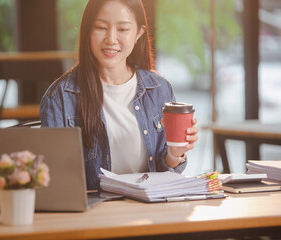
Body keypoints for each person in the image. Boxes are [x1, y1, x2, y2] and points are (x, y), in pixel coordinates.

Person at [40, 0, 199, 190]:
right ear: (88, 31)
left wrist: (175, 153)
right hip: (94, 214)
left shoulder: (159, 89)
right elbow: (55, 180)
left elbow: (164, 171)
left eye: (123, 29)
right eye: (101, 27)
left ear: (138, 34)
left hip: (149, 211)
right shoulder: (60, 98)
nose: (111, 39)